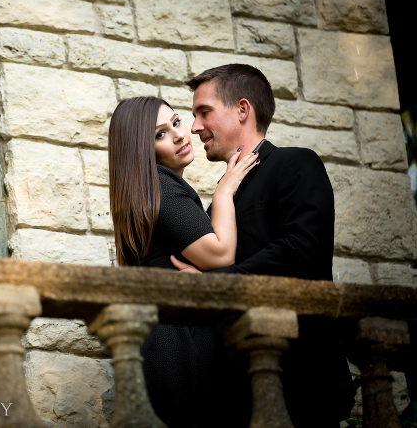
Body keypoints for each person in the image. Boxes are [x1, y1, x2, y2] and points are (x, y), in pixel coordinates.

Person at [170, 64, 355, 427]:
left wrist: (215, 280)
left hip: (299, 381)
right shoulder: (218, 204)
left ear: (242, 110)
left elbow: (302, 251)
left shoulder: (295, 164)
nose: (194, 127)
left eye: (204, 112)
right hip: (232, 392)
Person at [108, 96, 258, 427]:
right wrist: (224, 192)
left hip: (158, 338)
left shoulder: (144, 191)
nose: (179, 135)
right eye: (160, 134)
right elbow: (220, 256)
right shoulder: (161, 185)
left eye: (176, 123)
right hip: (176, 340)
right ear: (140, 150)